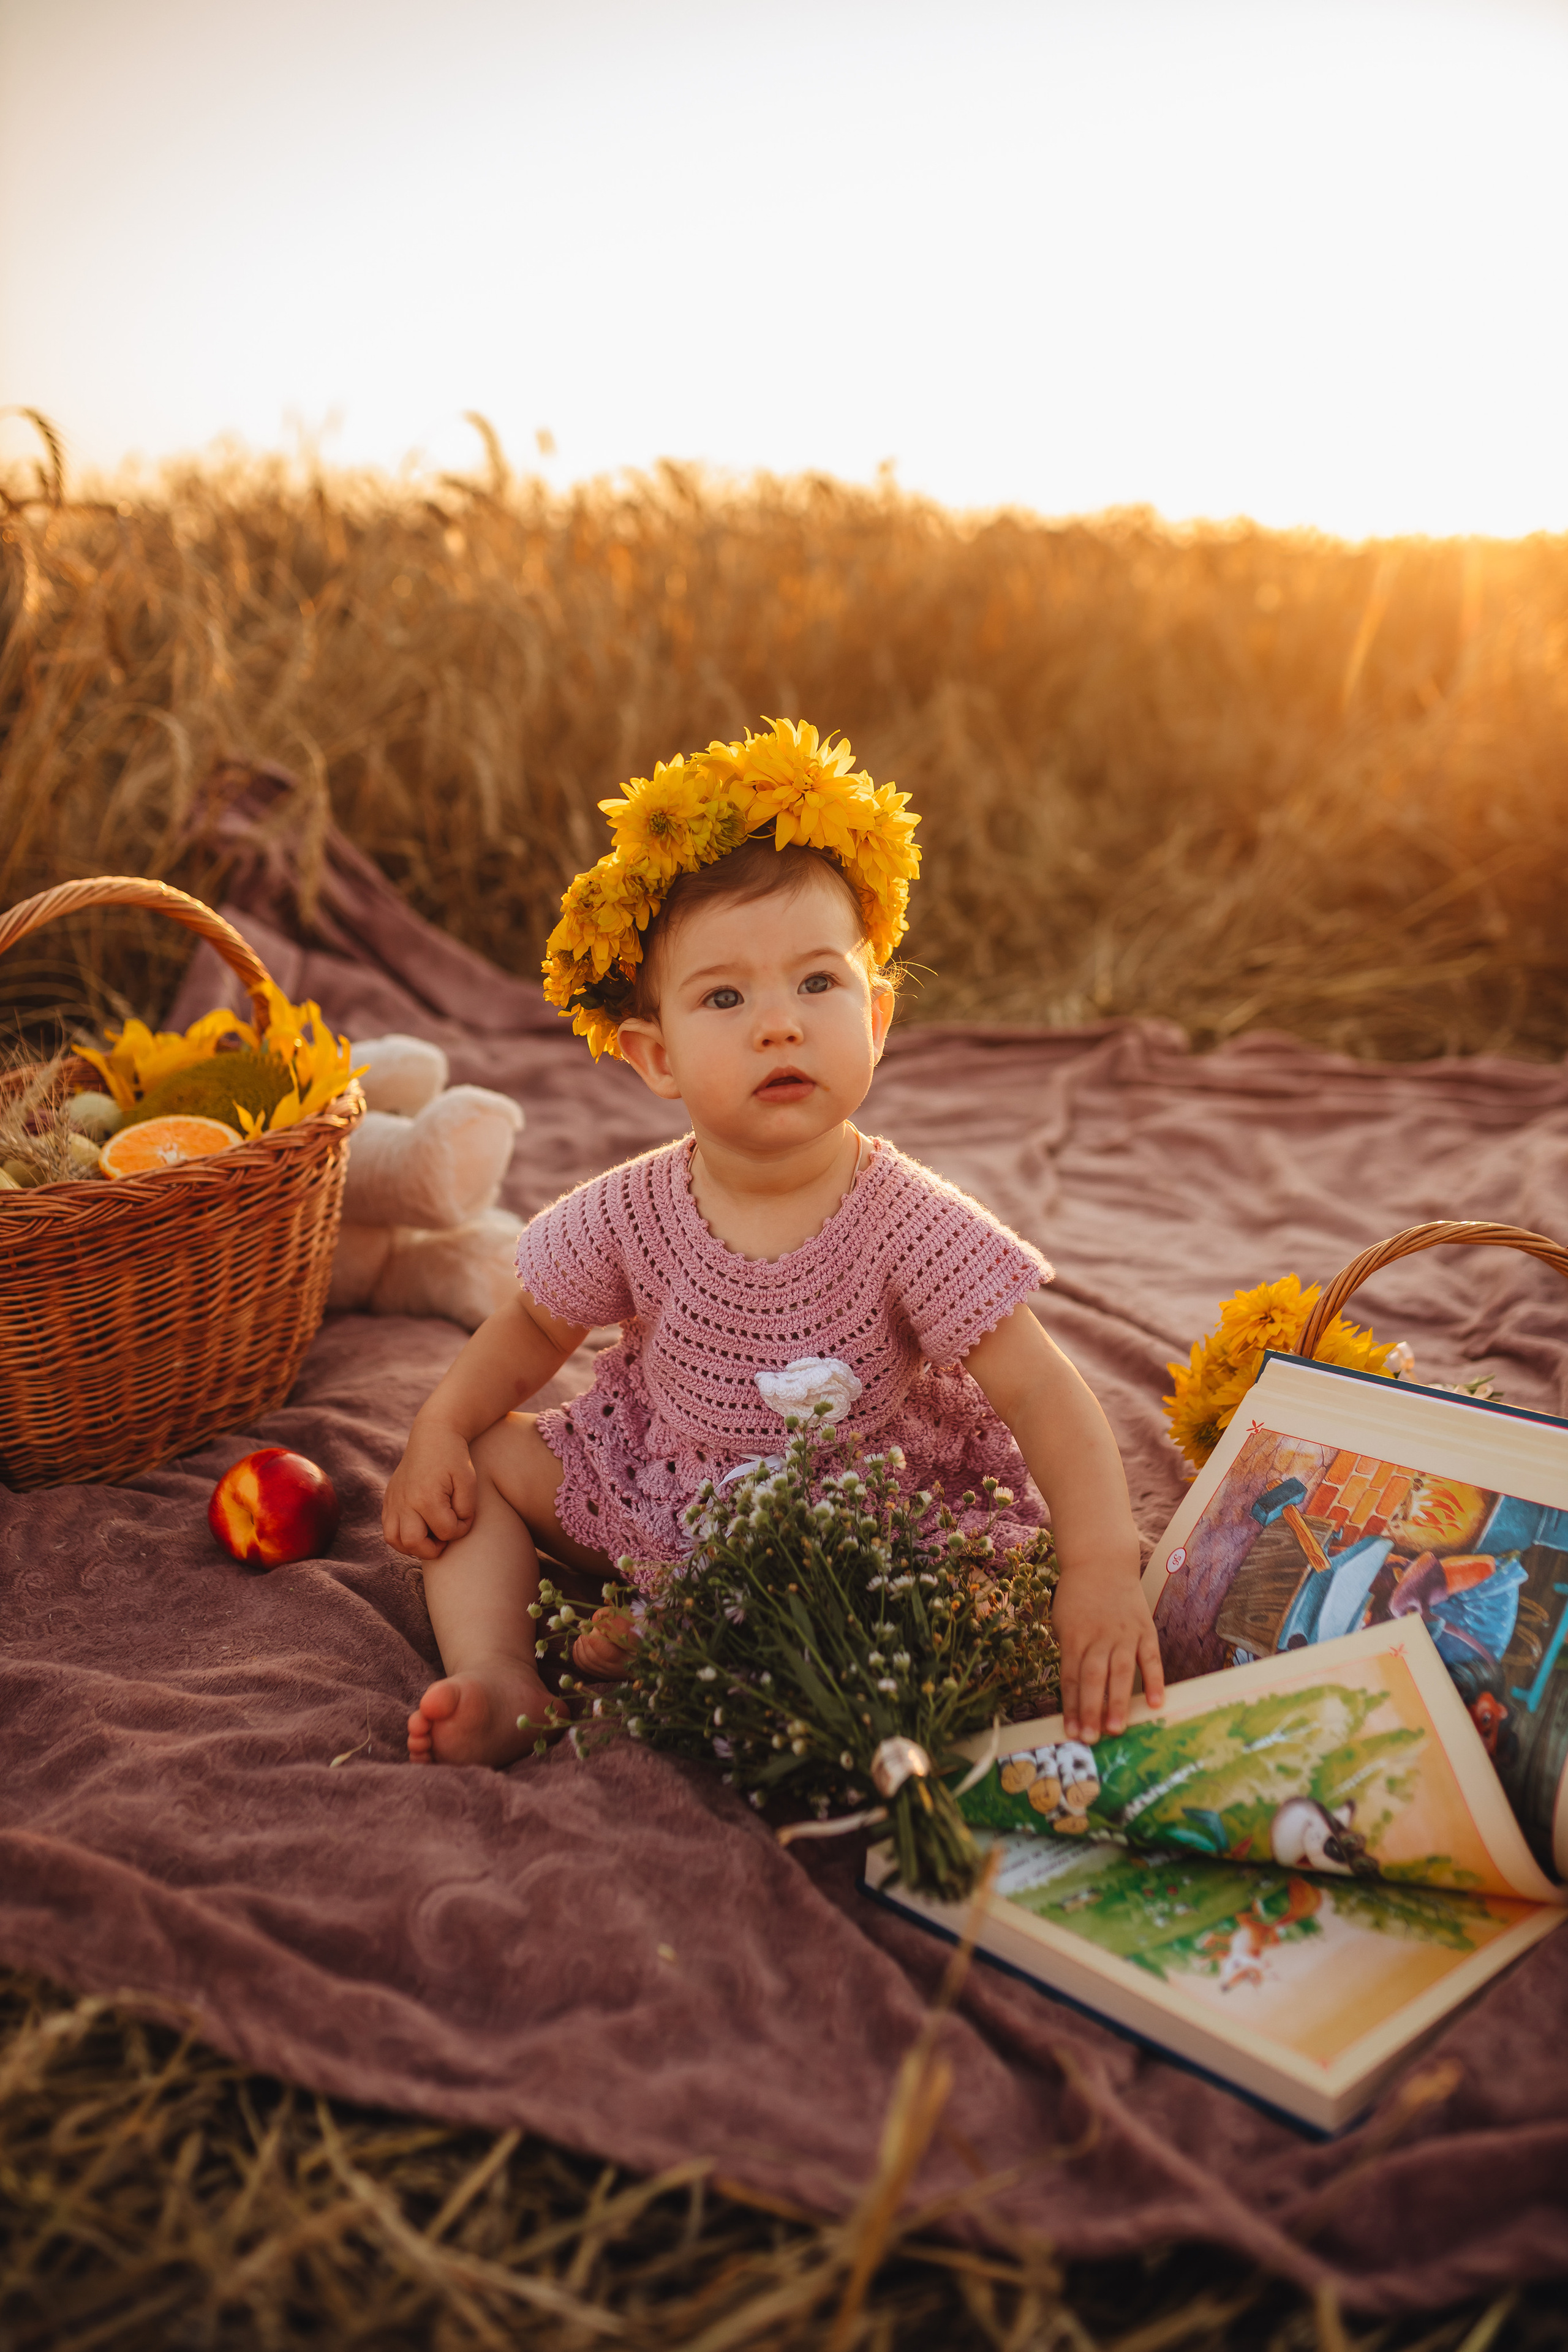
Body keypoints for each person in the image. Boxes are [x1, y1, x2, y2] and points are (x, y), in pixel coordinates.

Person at [384, 718, 1164, 1766]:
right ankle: (501, 1672)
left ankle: (702, 1641)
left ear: (877, 1018)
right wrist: (439, 1423)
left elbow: (1038, 1389)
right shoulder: (631, 1211)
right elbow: (533, 1325)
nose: (779, 1025)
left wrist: (1102, 1564)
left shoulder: (908, 1220)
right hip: (662, 1488)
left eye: (816, 983)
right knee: (479, 1465)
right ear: (655, 1057)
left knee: (954, 1624)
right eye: (724, 996)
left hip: (865, 1524)